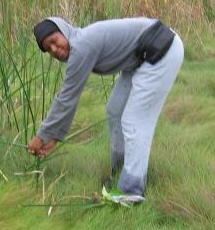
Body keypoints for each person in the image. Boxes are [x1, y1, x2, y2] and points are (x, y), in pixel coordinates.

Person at [28, 17, 184, 204]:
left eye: (54, 41)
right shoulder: (80, 43)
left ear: (64, 30)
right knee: (115, 110)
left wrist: (42, 135)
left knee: (135, 121)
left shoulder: (81, 46)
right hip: (140, 57)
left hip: (162, 50)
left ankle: (131, 190)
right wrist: (53, 138)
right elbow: (68, 100)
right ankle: (121, 172)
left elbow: (67, 98)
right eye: (48, 49)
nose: (54, 50)